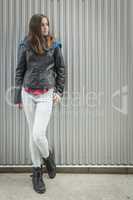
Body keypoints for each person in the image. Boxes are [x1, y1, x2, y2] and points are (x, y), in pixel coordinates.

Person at [14, 14, 65, 193]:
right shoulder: (25, 44)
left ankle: (48, 157)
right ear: (35, 27)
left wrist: (59, 92)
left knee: (37, 134)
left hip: (46, 94)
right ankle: (37, 172)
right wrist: (17, 97)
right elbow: (20, 70)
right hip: (27, 93)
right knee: (32, 134)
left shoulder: (54, 44)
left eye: (47, 24)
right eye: (42, 25)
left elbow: (61, 69)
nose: (46, 27)